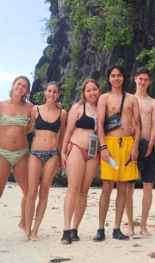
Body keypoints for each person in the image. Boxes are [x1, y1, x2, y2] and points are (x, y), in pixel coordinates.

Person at [93, 65, 141, 241]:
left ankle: (117, 228)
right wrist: (104, 148)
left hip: (127, 146)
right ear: (109, 78)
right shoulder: (104, 98)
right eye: (112, 76)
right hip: (111, 148)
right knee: (107, 185)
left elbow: (139, 124)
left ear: (123, 77)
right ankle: (100, 228)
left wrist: (135, 146)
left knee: (123, 187)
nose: (116, 78)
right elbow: (99, 124)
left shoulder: (132, 99)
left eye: (119, 75)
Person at [0, 76, 34, 241]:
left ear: (26, 91)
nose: (21, 87)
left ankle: (24, 222)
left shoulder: (30, 108)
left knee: (29, 192)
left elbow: (30, 128)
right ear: (13, 85)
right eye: (19, 84)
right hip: (1, 153)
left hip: (21, 153)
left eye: (24, 86)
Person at [24, 82, 67, 242]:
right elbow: (28, 129)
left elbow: (61, 135)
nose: (51, 94)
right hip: (35, 153)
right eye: (49, 91)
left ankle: (35, 230)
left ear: (58, 94)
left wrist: (61, 159)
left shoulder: (62, 113)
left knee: (44, 192)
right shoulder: (35, 110)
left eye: (55, 92)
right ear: (45, 92)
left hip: (53, 154)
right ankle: (27, 231)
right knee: (31, 193)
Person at [61, 79, 101, 243]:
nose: (92, 93)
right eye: (88, 90)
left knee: (84, 190)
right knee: (73, 188)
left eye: (94, 89)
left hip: (94, 152)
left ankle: (75, 228)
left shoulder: (104, 108)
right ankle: (66, 229)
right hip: (76, 147)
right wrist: (63, 151)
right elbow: (68, 130)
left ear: (99, 90)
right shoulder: (78, 108)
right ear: (83, 93)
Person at [124, 67, 155, 237]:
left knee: (148, 186)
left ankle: (143, 225)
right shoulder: (128, 100)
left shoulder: (153, 102)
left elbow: (154, 125)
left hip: (148, 146)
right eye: (140, 79)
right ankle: (130, 225)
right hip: (131, 145)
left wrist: (151, 143)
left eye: (146, 79)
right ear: (135, 79)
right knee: (129, 186)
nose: (143, 82)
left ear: (149, 82)